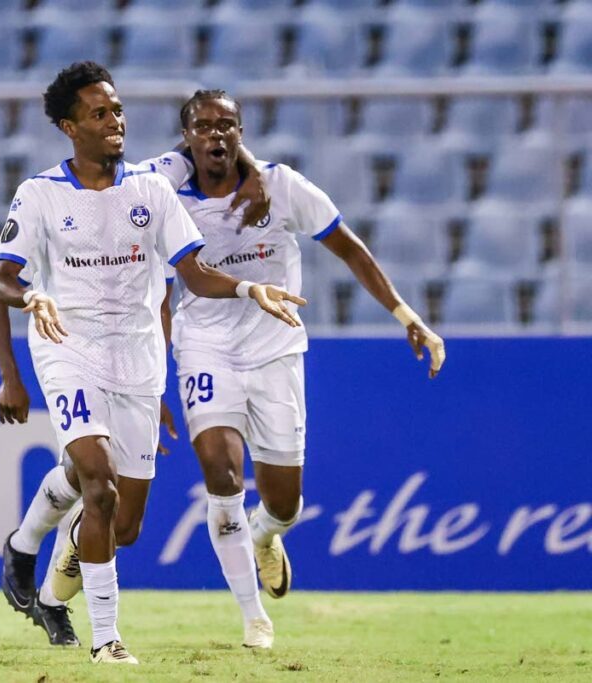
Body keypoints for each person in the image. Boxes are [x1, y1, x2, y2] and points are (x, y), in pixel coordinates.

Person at [0, 62, 304, 665]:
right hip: (67, 348)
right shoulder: (40, 194)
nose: (116, 122)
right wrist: (31, 296)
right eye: (100, 113)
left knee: (122, 523)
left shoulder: (151, 191)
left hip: (137, 358)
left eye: (119, 110)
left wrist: (245, 289)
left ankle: (35, 557)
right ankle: (107, 640)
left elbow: (192, 273)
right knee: (99, 485)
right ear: (68, 126)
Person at [162, 89, 447, 648]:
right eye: (204, 126)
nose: (216, 135)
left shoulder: (282, 185)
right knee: (220, 474)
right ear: (187, 135)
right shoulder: (166, 192)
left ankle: (267, 536)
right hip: (203, 347)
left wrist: (406, 314)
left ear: (242, 132)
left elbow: (349, 247)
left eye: (227, 125)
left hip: (276, 351)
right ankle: (253, 619)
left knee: (285, 502)